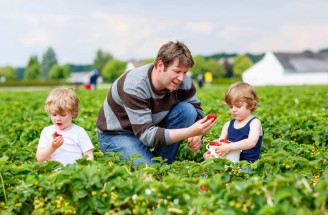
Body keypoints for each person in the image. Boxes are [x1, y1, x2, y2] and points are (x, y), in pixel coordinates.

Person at [96, 41, 217, 166]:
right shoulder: (134, 85)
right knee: (150, 172)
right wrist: (190, 132)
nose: (181, 78)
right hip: (118, 134)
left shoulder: (183, 81)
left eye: (185, 72)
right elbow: (146, 134)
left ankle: (162, 161)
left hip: (149, 127)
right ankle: (156, 163)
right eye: (176, 71)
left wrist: (198, 135)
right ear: (160, 65)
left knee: (188, 110)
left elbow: (198, 111)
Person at [203, 82, 264, 166]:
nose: (234, 110)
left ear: (251, 105)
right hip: (230, 164)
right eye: (231, 106)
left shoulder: (254, 122)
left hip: (249, 165)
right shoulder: (228, 125)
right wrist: (211, 153)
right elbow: (219, 144)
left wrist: (229, 147)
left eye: (238, 106)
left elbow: (251, 142)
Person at [36, 87, 94, 166]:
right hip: (53, 174)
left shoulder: (79, 132)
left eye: (63, 115)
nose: (58, 118)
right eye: (54, 114)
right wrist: (53, 147)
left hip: (74, 172)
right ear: (49, 112)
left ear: (73, 113)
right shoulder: (47, 131)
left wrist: (86, 168)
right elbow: (39, 157)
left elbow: (88, 155)